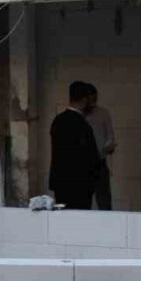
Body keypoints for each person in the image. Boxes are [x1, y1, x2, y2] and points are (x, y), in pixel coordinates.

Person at [49, 81, 103, 210]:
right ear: (84, 100)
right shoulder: (82, 125)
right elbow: (90, 156)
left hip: (61, 184)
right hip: (80, 185)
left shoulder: (58, 120)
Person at [84, 84, 117, 210]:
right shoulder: (77, 116)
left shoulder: (103, 113)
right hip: (82, 165)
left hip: (100, 162)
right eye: (90, 100)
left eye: (94, 100)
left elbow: (110, 136)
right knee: (82, 203)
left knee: (104, 202)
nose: (92, 103)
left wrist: (109, 147)